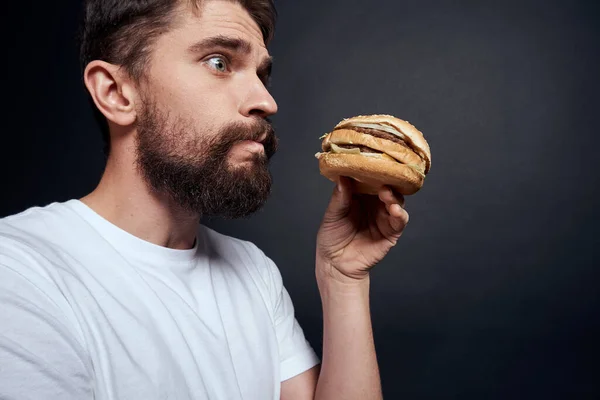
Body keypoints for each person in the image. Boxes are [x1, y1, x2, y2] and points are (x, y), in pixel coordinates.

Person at [0, 0, 409, 399]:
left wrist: (343, 280)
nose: (266, 102)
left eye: (261, 75)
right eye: (220, 62)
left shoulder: (252, 270)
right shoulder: (19, 273)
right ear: (116, 93)